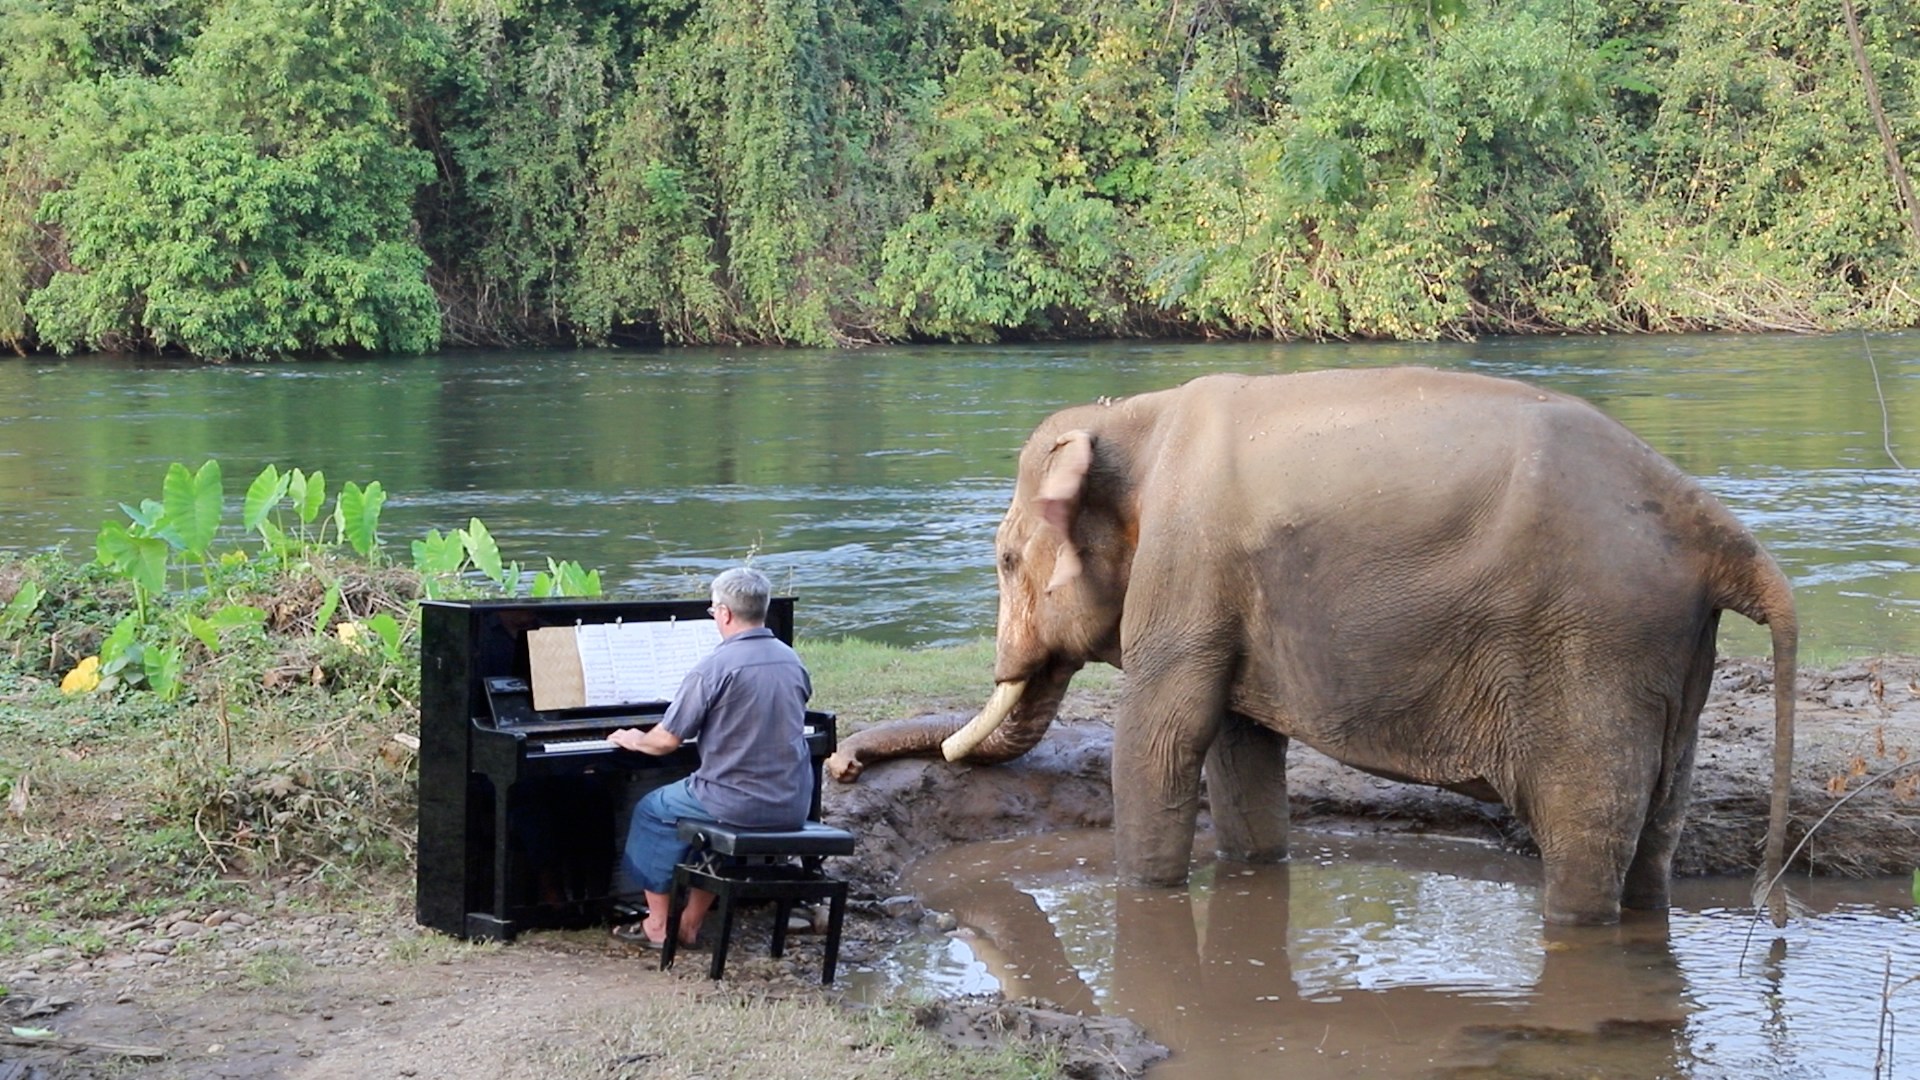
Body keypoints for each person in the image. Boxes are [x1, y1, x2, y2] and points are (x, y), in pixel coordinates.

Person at [605, 567, 813, 948]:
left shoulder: (714, 667)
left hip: (736, 803)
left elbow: (665, 742)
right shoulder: (791, 660)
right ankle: (690, 923)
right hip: (790, 801)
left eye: (714, 609)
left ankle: (656, 926)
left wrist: (635, 739)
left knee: (652, 810)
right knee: (708, 826)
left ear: (726, 613)